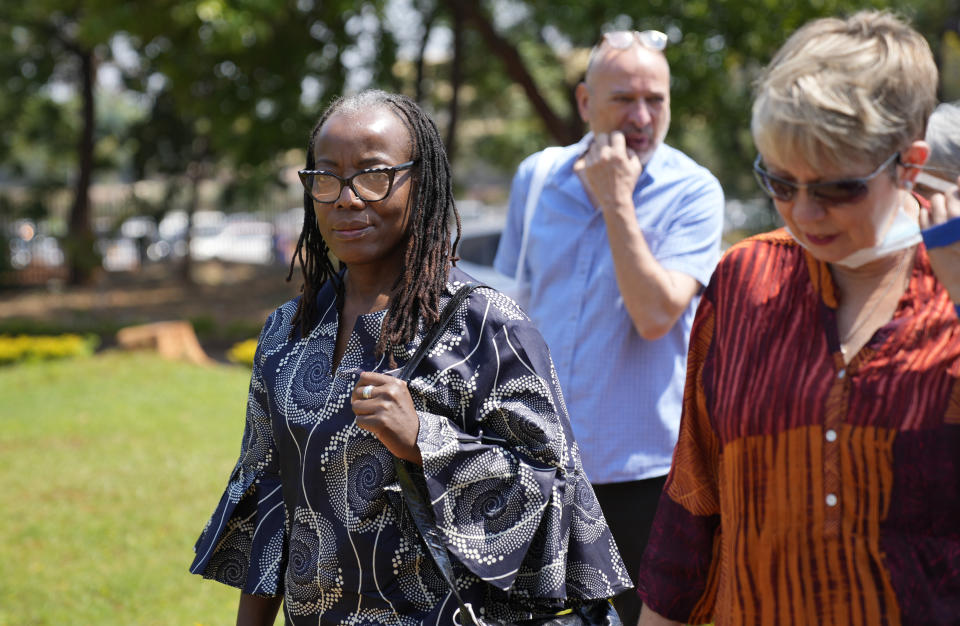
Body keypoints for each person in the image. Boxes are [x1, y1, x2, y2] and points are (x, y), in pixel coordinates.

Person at [189, 90, 631, 625]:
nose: (347, 198)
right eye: (326, 177)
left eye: (373, 174)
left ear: (419, 183)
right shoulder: (287, 333)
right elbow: (266, 501)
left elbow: (561, 510)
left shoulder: (488, 327)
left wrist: (428, 442)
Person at [637, 11, 960, 625]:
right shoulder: (746, 279)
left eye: (837, 188)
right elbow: (694, 500)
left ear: (910, 164)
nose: (804, 212)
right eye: (780, 182)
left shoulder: (952, 284)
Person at [493, 28, 725, 624]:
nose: (643, 116)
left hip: (643, 481)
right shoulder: (537, 178)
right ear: (584, 103)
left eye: (657, 99)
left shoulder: (693, 192)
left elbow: (654, 315)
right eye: (624, 98)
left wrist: (618, 202)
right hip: (534, 469)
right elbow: (508, 316)